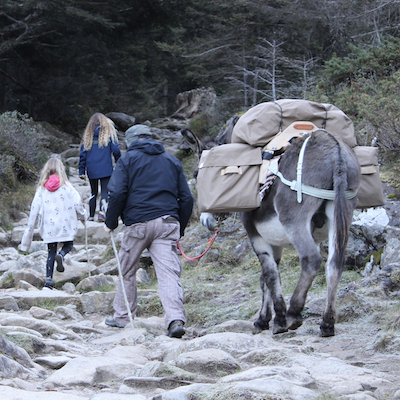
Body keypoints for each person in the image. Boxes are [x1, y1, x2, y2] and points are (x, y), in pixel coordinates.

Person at [104, 124, 193, 338]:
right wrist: (178, 227)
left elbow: (116, 193)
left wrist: (111, 221)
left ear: (131, 142)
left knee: (127, 271)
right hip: (167, 223)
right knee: (167, 273)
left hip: (137, 224)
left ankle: (123, 317)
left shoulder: (127, 160)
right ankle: (175, 320)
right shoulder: (172, 161)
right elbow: (187, 198)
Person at [21, 157, 87, 290]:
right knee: (68, 245)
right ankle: (61, 255)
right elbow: (77, 204)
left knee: (50, 252)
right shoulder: (68, 187)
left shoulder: (41, 189)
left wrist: (26, 239)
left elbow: (34, 210)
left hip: (49, 227)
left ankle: (48, 282)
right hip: (66, 226)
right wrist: (84, 216)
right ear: (61, 170)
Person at [79, 112, 121, 222]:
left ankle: (91, 215)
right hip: (106, 168)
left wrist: (81, 171)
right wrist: (119, 163)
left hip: (92, 169)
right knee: (104, 192)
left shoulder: (88, 137)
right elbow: (116, 150)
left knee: (93, 192)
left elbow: (82, 154)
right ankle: (102, 213)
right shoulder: (109, 135)